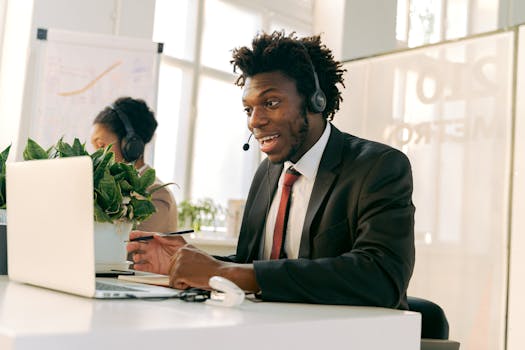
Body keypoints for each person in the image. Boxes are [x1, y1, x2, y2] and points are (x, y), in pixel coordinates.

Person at [127, 31, 415, 309]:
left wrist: (225, 273)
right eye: (248, 109)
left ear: (316, 101)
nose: (255, 121)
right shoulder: (267, 174)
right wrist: (185, 262)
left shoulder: (377, 167)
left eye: (271, 103)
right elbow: (252, 263)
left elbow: (382, 276)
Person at [91, 96, 178, 233]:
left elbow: (124, 249)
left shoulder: (156, 194)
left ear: (131, 146)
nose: (96, 155)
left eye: (101, 145)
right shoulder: (108, 190)